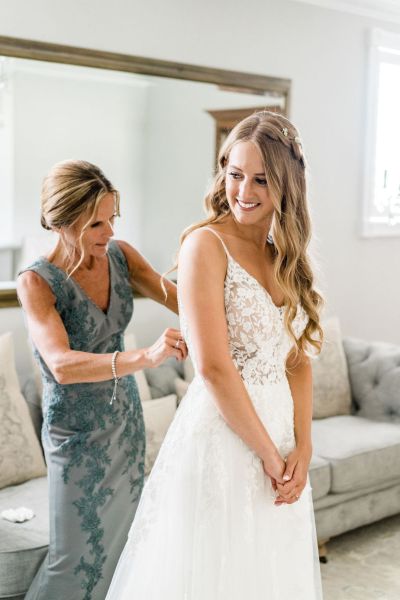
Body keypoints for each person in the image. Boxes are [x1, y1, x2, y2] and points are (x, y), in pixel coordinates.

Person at [106, 111, 324, 599]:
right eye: (235, 174)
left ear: (287, 185)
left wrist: (302, 449)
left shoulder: (282, 255)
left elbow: (296, 361)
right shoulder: (204, 245)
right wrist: (269, 455)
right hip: (225, 441)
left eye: (262, 180)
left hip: (283, 444)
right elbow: (212, 366)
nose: (244, 191)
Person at [17, 160, 187, 600]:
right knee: (72, 559)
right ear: (62, 221)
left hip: (125, 425)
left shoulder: (121, 255)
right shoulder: (37, 281)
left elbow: (183, 302)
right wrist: (145, 356)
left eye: (112, 218)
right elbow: (61, 364)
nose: (108, 231)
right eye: (96, 222)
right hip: (76, 436)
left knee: (125, 545)